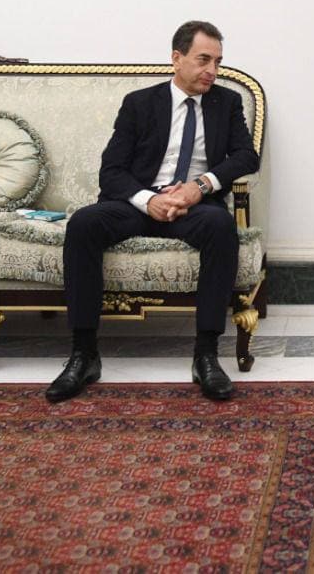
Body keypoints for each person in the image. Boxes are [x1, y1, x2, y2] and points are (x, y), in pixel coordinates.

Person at [46, 20, 260, 404]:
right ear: (177, 58)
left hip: (195, 207)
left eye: (218, 62)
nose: (212, 70)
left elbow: (247, 156)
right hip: (139, 204)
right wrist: (149, 200)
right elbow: (112, 171)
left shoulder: (226, 103)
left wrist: (199, 187)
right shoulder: (140, 103)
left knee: (221, 226)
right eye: (204, 60)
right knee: (83, 224)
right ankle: (84, 354)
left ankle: (206, 355)